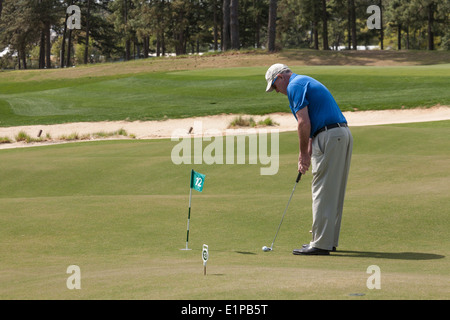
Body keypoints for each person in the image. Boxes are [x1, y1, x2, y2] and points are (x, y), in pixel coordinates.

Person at [265, 63, 353, 255]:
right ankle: (327, 240)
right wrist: (308, 145)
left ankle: (321, 244)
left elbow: (303, 122)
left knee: (321, 189)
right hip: (340, 133)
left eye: (274, 86)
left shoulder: (294, 86)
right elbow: (312, 120)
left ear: (280, 77)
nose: (276, 91)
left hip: (330, 136)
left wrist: (303, 154)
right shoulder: (304, 81)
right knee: (333, 191)